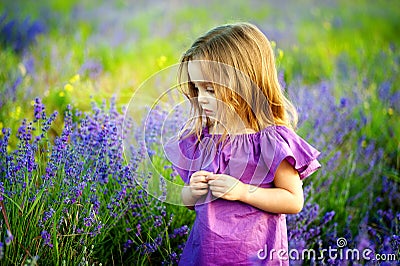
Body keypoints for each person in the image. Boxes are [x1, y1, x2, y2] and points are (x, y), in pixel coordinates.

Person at [164, 22, 321, 265]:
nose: (201, 98)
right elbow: (190, 204)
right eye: (197, 88)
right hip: (206, 256)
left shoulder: (268, 141)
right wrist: (191, 193)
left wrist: (242, 192)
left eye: (211, 90)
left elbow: (293, 200)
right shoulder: (202, 138)